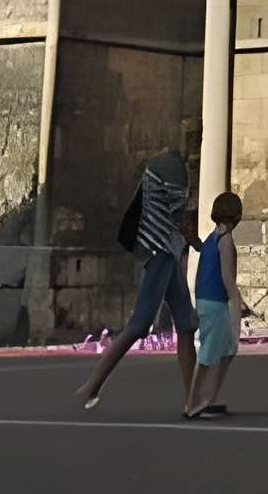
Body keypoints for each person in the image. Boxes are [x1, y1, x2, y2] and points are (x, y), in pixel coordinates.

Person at [78, 138, 199, 413]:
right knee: (139, 325)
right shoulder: (173, 170)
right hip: (162, 253)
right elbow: (181, 215)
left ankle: (193, 398)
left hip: (164, 251)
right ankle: (92, 384)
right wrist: (199, 241)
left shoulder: (156, 169)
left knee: (186, 324)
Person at [186, 189, 248, 417]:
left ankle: (208, 398)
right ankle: (193, 404)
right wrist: (239, 303)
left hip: (206, 299)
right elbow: (227, 277)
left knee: (225, 350)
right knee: (208, 354)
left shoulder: (213, 236)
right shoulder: (225, 239)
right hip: (216, 302)